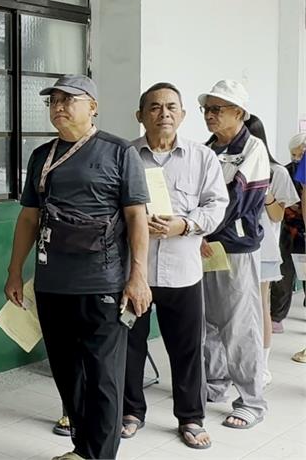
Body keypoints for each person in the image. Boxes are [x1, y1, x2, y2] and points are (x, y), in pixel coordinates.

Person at [5, 75, 151, 460]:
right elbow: (28, 219)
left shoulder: (120, 152)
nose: (59, 107)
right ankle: (82, 448)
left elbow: (137, 217)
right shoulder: (43, 155)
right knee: (67, 373)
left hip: (102, 282)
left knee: (103, 376)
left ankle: (99, 455)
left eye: (69, 99)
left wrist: (138, 276)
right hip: (52, 283)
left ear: (94, 107)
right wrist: (14, 271)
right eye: (53, 100)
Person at [123, 83, 228, 449]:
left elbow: (217, 206)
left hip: (183, 271)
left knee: (186, 350)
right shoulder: (125, 156)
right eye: (154, 107)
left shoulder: (202, 158)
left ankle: (191, 418)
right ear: (140, 116)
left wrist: (183, 224)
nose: (163, 114)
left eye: (171, 107)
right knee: (129, 345)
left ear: (182, 115)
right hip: (134, 272)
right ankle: (131, 411)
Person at [199, 80, 270, 429]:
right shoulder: (206, 149)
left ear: (239, 113)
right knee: (209, 321)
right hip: (204, 245)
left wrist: (197, 228)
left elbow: (233, 204)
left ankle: (252, 400)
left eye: (217, 110)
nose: (210, 116)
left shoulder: (253, 150)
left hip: (234, 248)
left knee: (240, 324)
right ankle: (215, 385)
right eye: (207, 109)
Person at [245, 115, 299, 386]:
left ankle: (262, 366)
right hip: (228, 248)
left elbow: (278, 216)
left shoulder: (276, 171)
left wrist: (265, 193)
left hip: (263, 250)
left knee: (260, 308)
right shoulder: (222, 163)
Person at [271, 132, 306, 332]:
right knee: (283, 274)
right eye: (296, 152)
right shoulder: (284, 172)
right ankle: (276, 316)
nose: (300, 155)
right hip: (288, 231)